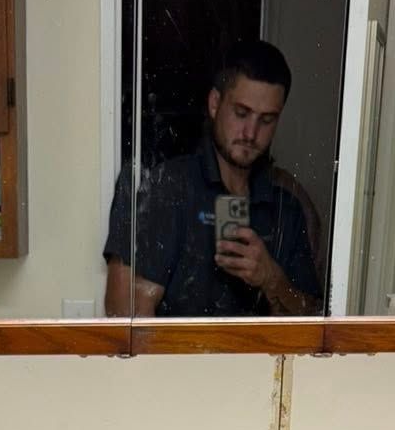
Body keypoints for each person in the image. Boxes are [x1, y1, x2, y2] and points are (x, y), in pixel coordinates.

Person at [104, 40, 323, 319]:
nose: (251, 132)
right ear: (214, 103)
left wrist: (271, 279)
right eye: (241, 113)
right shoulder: (164, 188)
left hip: (263, 363)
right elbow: (125, 319)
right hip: (178, 361)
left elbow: (312, 324)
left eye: (267, 120)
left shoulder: (287, 208)